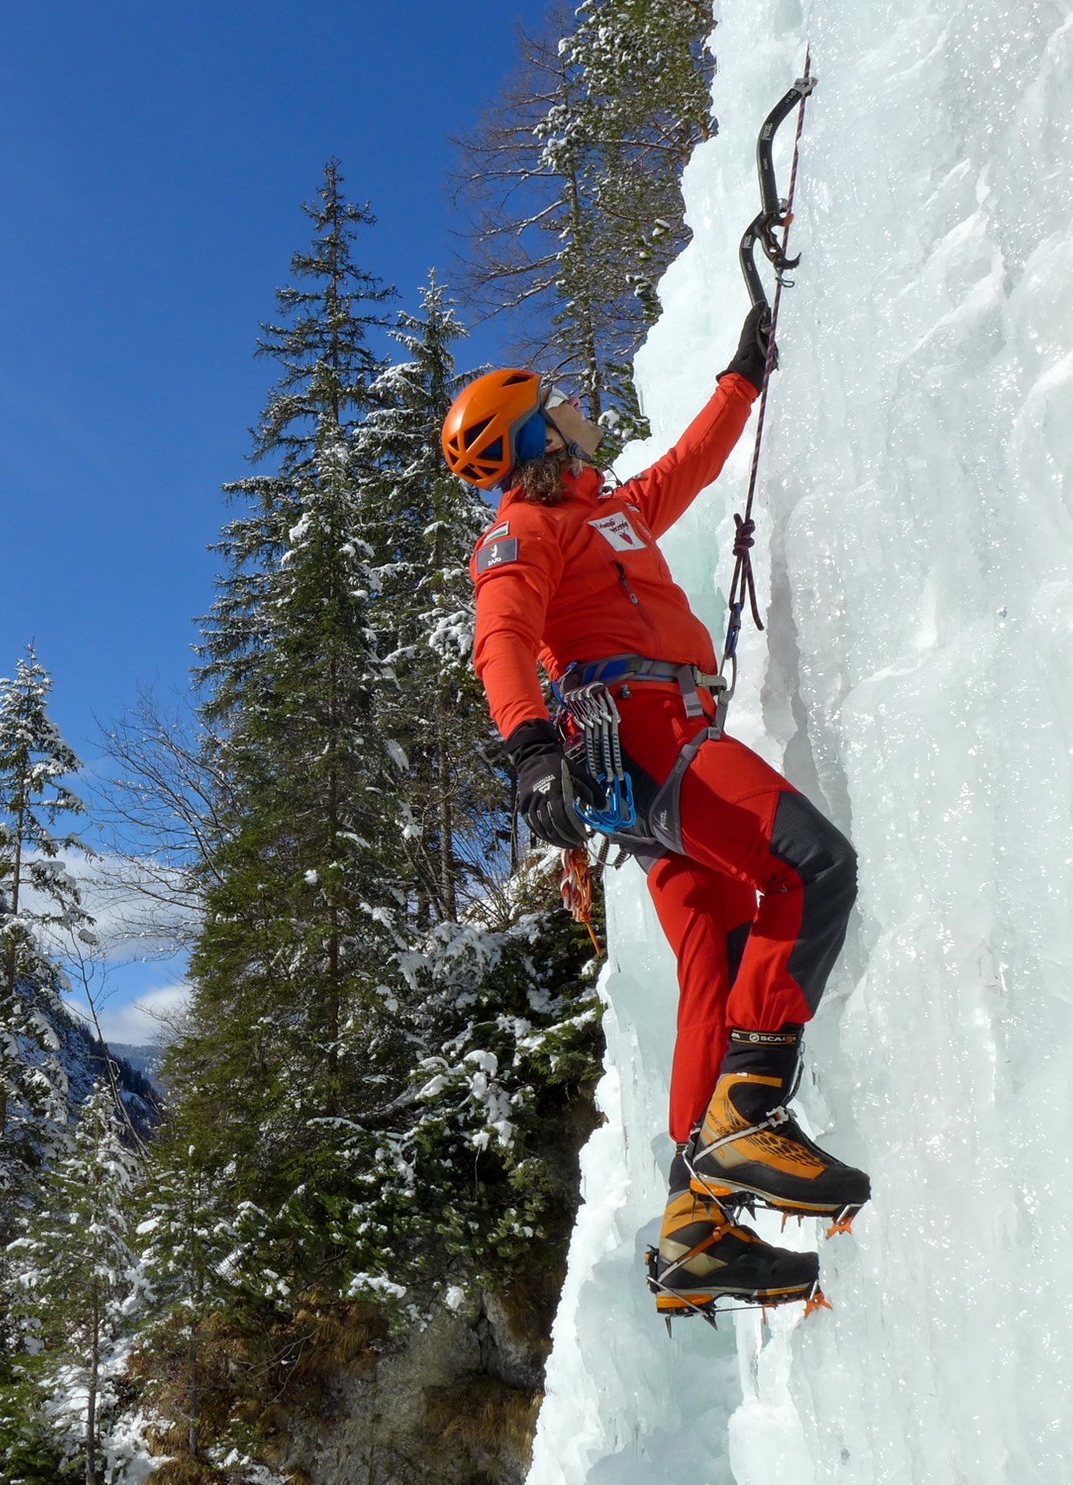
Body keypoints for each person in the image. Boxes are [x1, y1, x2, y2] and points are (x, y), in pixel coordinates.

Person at [443, 309, 868, 1318]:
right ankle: (746, 1113)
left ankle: (694, 1227)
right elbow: (500, 636)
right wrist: (530, 746)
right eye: (564, 408)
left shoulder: (612, 512)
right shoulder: (523, 530)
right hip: (646, 740)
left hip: (654, 753)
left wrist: (741, 377)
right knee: (810, 870)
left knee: (714, 970)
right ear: (542, 437)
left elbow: (691, 463)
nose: (581, 412)